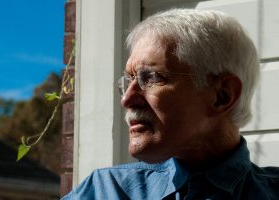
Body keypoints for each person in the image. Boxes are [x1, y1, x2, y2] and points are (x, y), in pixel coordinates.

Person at [62, 9, 279, 199]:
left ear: (222, 95)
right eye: (128, 81)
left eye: (151, 78)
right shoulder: (104, 192)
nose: (127, 99)